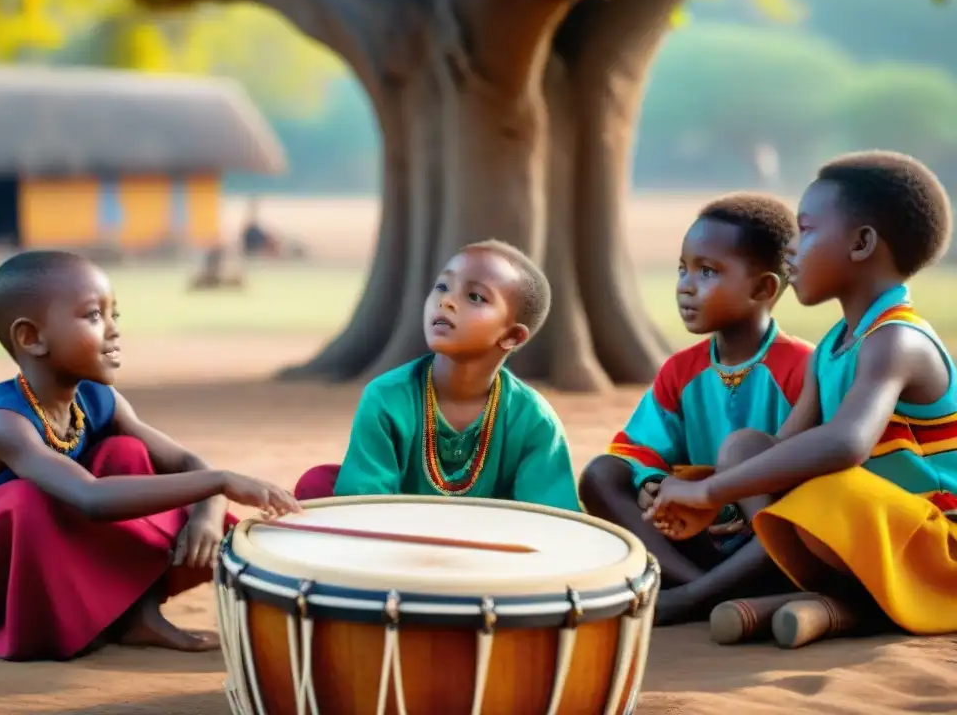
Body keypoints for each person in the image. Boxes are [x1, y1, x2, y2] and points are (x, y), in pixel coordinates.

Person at [648, 151, 957, 648]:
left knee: (827, 489)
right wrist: (720, 487)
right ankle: (831, 600)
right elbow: (781, 452)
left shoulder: (896, 340)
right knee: (744, 449)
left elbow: (844, 445)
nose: (790, 249)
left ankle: (705, 596)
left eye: (806, 231)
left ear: (861, 244)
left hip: (936, 550)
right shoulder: (834, 347)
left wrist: (711, 493)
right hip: (870, 536)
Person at [0, 251, 300, 661]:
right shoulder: (4, 424)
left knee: (125, 452)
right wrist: (221, 483)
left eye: (114, 315)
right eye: (93, 316)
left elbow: (186, 463)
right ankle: (52, 628)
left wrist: (208, 513)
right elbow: (91, 498)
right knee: (26, 501)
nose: (113, 331)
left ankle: (135, 616)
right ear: (31, 338)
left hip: (50, 560)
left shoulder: (97, 399)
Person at [578, 194, 812, 625]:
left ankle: (692, 597)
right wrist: (652, 481)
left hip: (770, 539)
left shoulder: (801, 367)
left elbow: (815, 466)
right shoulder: (680, 370)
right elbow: (636, 449)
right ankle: (697, 587)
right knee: (601, 474)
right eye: (683, 269)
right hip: (701, 534)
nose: (686, 285)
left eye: (707, 272)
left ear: (763, 289)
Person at [294, 240, 580, 511]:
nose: (447, 301)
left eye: (475, 296)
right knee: (317, 485)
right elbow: (364, 504)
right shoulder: (387, 397)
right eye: (442, 287)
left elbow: (551, 520)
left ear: (512, 336)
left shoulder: (533, 419)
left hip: (491, 549)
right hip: (396, 542)